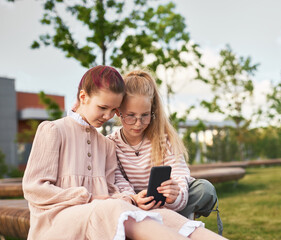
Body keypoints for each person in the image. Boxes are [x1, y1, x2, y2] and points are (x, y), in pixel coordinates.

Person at [22, 65, 225, 240]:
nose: (108, 116)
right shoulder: (53, 130)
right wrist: (89, 197)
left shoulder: (105, 145)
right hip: (57, 219)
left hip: (103, 212)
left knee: (163, 215)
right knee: (116, 209)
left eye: (113, 110)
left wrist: (131, 199)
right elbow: (34, 188)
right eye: (103, 107)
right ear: (83, 97)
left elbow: (113, 189)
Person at [107, 70, 221, 231]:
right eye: (131, 116)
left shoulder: (164, 139)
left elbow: (179, 174)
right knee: (113, 200)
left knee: (204, 189)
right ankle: (165, 222)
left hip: (165, 202)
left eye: (145, 116)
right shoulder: (110, 144)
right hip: (134, 202)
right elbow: (118, 181)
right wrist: (133, 199)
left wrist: (175, 196)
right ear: (118, 112)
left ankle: (164, 220)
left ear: (152, 111)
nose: (138, 123)